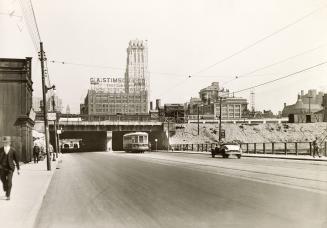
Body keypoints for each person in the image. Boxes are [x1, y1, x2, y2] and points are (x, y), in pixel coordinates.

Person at [0, 136, 20, 200]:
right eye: (4, 142)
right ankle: (5, 187)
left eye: (7, 142)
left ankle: (8, 195)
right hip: (2, 168)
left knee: (9, 182)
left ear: (9, 143)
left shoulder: (13, 150)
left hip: (10, 168)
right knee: (3, 180)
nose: (5, 143)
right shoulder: (0, 149)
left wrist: (18, 169)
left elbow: (16, 160)